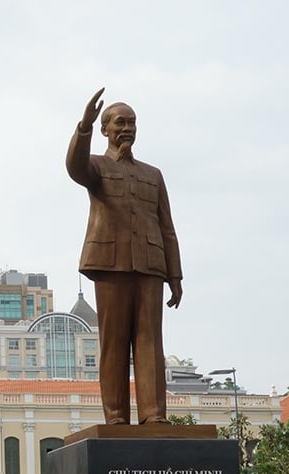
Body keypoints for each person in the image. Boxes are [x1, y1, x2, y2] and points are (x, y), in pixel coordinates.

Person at [66, 88, 183, 425]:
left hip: (150, 265)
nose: (127, 128)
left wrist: (175, 275)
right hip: (110, 263)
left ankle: (153, 414)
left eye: (132, 123)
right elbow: (74, 167)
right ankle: (116, 417)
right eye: (120, 122)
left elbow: (167, 227)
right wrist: (83, 127)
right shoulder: (96, 167)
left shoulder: (153, 174)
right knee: (114, 341)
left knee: (149, 341)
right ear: (106, 129)